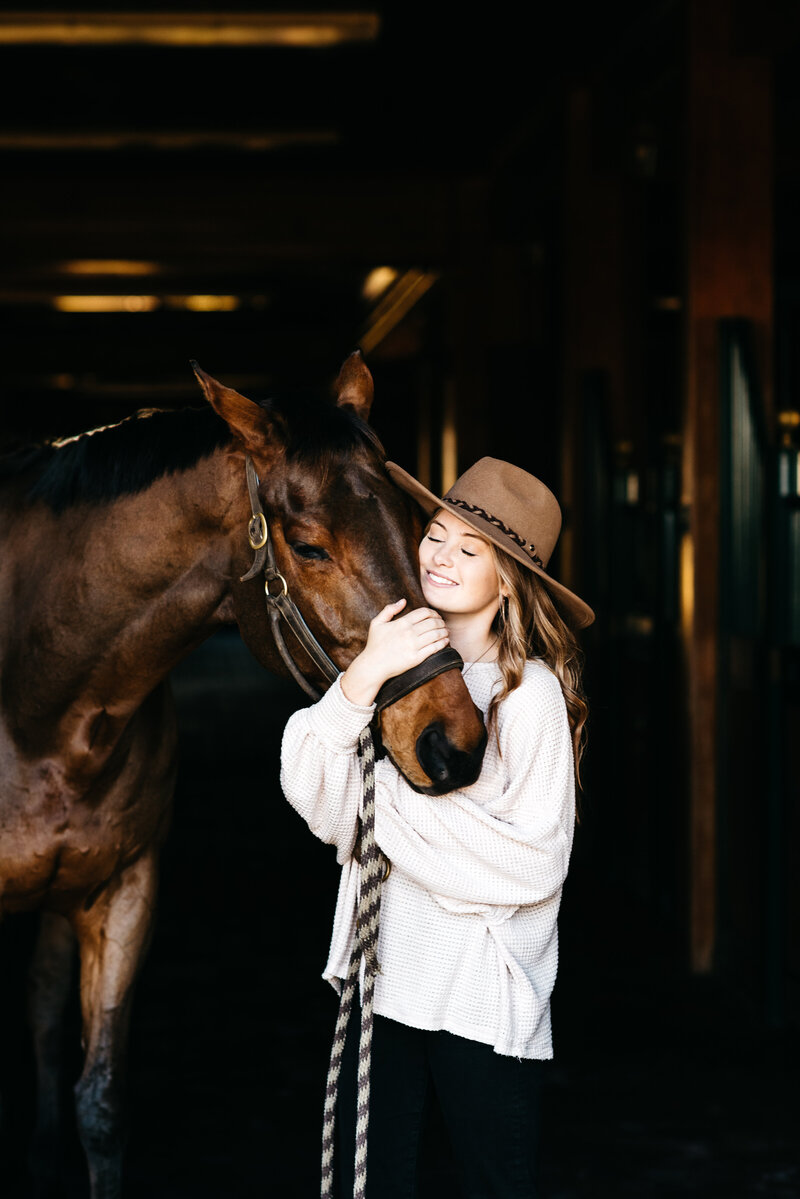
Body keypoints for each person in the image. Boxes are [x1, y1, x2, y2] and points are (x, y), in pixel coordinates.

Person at [280, 456, 594, 1198]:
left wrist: (382, 810)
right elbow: (315, 796)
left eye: (468, 549)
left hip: (482, 1005)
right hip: (383, 986)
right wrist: (363, 675)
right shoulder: (390, 668)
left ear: (508, 578)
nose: (438, 556)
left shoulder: (529, 695)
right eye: (435, 534)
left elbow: (530, 868)